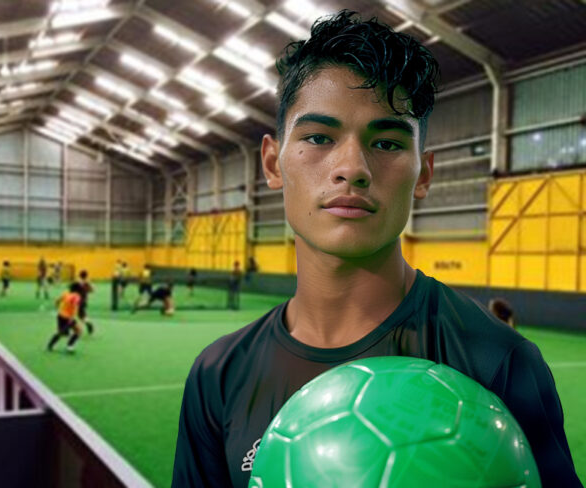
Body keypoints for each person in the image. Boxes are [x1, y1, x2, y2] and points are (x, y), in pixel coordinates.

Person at [172, 11, 580, 488]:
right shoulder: (218, 376)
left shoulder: (498, 362)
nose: (352, 168)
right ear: (272, 163)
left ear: (423, 174)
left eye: (386, 142)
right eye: (319, 137)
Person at [46, 282, 84, 353]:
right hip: (68, 318)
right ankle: (69, 346)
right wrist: (73, 317)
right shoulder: (77, 296)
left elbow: (57, 301)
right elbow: (75, 307)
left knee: (64, 332)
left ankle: (51, 345)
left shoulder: (66, 293)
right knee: (77, 331)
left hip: (60, 315)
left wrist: (58, 308)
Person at [77, 270, 95, 335]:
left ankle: (87, 325)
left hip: (78, 301)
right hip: (85, 300)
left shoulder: (78, 282)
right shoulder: (87, 282)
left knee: (81, 315)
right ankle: (87, 325)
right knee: (81, 315)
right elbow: (92, 290)